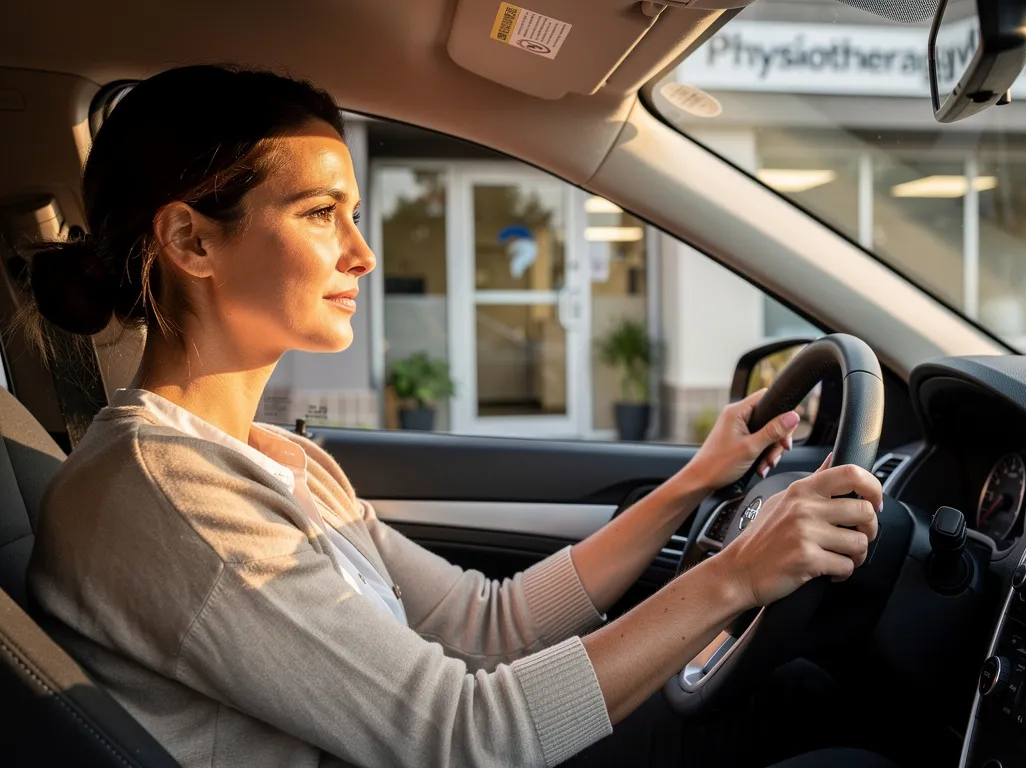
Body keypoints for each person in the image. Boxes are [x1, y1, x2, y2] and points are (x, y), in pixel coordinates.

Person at [25, 65, 887, 768]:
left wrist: (695, 482)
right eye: (321, 214)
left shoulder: (273, 458)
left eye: (353, 215)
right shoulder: (167, 494)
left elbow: (488, 624)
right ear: (192, 241)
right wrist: (735, 576)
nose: (361, 253)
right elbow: (468, 737)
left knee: (797, 701)